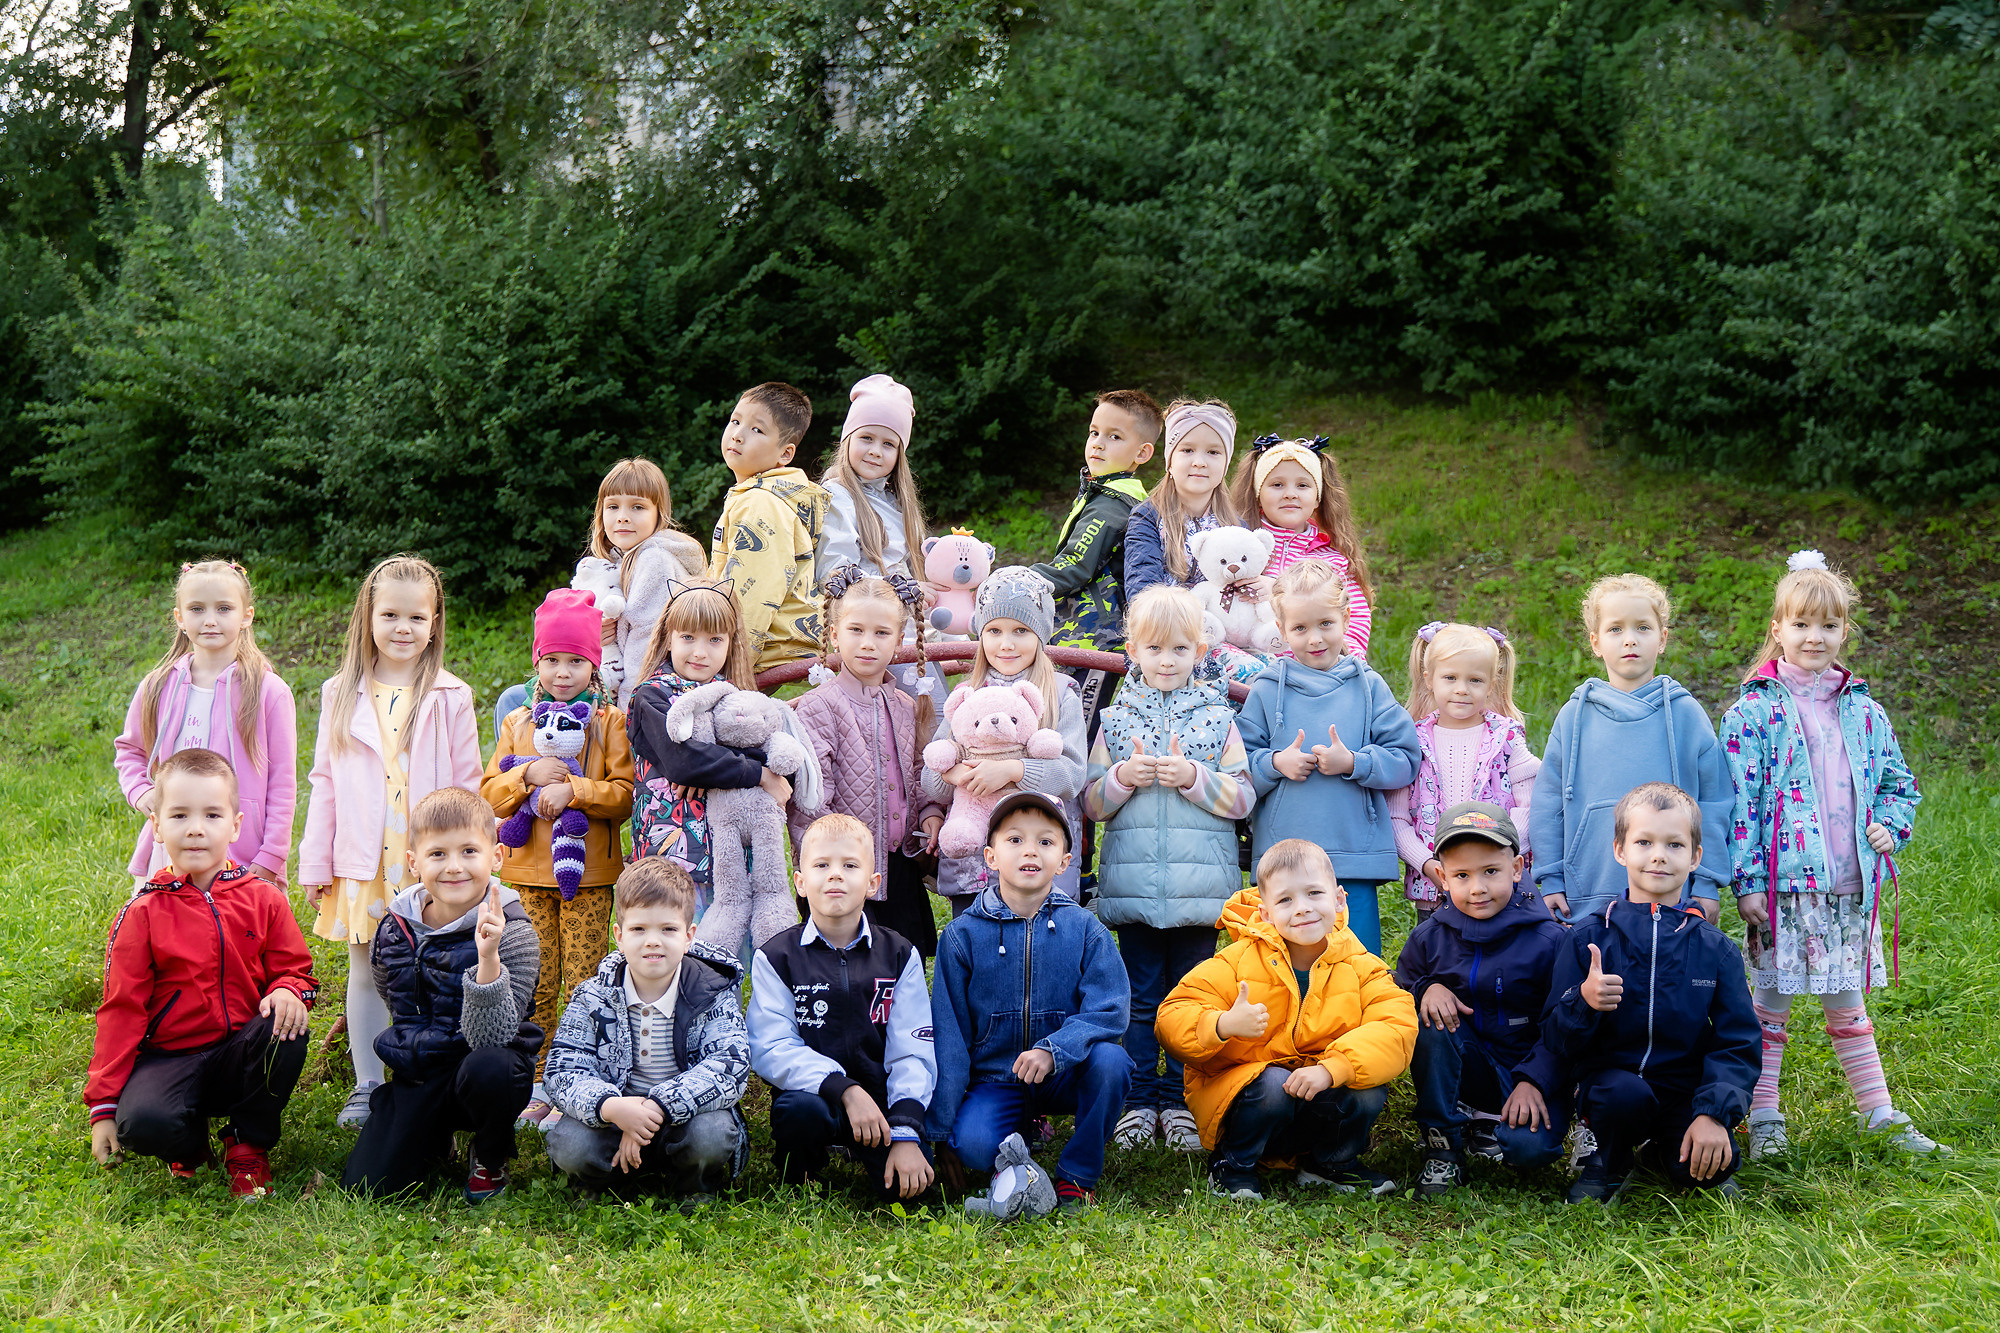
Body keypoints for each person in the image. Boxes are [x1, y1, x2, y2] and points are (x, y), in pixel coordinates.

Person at [1719, 550, 1939, 1157]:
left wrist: (1890, 825)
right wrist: (1747, 882)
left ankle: (1879, 1114)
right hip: (1783, 888)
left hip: (1848, 885)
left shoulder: (1865, 711)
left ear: (1845, 631)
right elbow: (1736, 804)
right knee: (1770, 1006)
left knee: (1848, 1002)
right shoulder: (1752, 713)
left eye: (1829, 625)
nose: (1814, 637)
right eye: (1801, 624)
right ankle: (1763, 1116)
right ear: (1778, 629)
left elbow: (1898, 784)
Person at [299, 554, 482, 1131]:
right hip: (363, 859)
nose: (404, 628)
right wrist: (315, 861)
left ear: (434, 623)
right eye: (391, 616)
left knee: (431, 970)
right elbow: (324, 781)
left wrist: (468, 859)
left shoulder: (450, 695)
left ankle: (422, 1079)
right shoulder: (340, 692)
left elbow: (468, 785)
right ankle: (367, 1084)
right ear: (368, 618)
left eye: (416, 617)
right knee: (367, 971)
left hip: (430, 863)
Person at [86, 749, 317, 1198]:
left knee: (286, 1025)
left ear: (235, 824)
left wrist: (289, 989)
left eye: (212, 815)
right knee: (143, 1124)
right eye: (179, 815)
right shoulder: (142, 912)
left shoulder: (264, 898)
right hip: (170, 1058)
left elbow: (295, 970)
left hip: (242, 1052)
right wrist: (104, 1106)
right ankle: (188, 1146)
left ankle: (246, 1142)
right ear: (157, 825)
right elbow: (121, 1010)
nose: (195, 828)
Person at [1084, 586, 1254, 1153]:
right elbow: (1092, 803)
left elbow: (1243, 798)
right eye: (1154, 649)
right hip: (1133, 886)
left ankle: (1181, 1098)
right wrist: (1121, 779)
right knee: (1139, 997)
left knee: (1194, 997)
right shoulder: (1115, 720)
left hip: (1199, 891)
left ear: (1199, 651)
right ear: (1133, 651)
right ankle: (1138, 1100)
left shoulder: (1219, 719)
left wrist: (1194, 778)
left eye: (1179, 649)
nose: (1166, 660)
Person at [1157, 840, 1415, 1202]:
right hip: (1251, 1102)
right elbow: (1173, 1014)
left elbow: (1395, 1026)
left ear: (1339, 899)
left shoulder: (1362, 967)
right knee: (1274, 1084)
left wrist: (1334, 1068)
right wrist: (1222, 1024)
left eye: (1314, 893)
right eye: (1285, 900)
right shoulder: (1237, 961)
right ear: (1265, 913)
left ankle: (1330, 1163)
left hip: (1317, 1099)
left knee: (1365, 1085)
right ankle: (1234, 1164)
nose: (1302, 908)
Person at [1541, 783, 1759, 1205]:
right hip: (1613, 1088)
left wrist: (1715, 1114)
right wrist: (1584, 1002)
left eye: (1674, 845)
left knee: (1711, 1172)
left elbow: (1739, 1042)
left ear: (1695, 857)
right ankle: (1610, 1159)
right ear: (1620, 850)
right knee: (1622, 1094)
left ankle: (1662, 1151)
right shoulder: (1587, 937)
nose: (1659, 855)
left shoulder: (1716, 949)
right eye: (1644, 842)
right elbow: (1555, 1037)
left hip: (1684, 1091)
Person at [927, 793, 1133, 1215]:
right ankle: (1017, 1141)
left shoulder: (1085, 929)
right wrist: (941, 1132)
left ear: (1065, 861)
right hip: (996, 1077)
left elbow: (1111, 1009)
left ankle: (1076, 1176)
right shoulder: (961, 936)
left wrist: (1054, 1050)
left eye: (1045, 841)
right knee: (975, 1148)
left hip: (1064, 1072)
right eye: (1015, 839)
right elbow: (950, 1036)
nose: (1030, 851)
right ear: (990, 856)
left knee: (1112, 1062)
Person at [340, 788, 543, 1204]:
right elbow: (392, 995)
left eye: (469, 851)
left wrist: (487, 959)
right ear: (413, 862)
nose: (454, 867)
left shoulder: (515, 932)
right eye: (437, 854)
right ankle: (433, 1135)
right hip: (422, 1071)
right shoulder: (395, 929)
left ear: (496, 857)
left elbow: (493, 1037)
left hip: (485, 1070)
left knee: (493, 1068)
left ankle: (489, 1153)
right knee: (369, 1187)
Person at [480, 588, 634, 1128]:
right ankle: (541, 1077)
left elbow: (624, 795)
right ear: (537, 663)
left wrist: (577, 790)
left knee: (584, 978)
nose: (563, 672)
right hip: (527, 873)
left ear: (594, 665)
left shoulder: (609, 722)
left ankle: (584, 1075)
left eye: (575, 661)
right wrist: (527, 774)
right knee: (538, 978)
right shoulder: (518, 722)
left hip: (589, 877)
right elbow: (490, 792)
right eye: (552, 660)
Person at [1236, 559, 1420, 956]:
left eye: (1325, 624)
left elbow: (1405, 758)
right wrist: (1275, 764)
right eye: (1300, 628)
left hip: (1351, 854)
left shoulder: (1369, 687)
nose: (1315, 638)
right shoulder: (1267, 689)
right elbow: (1238, 765)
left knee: (1357, 961)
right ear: (1282, 630)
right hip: (1284, 859)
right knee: (1287, 963)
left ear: (1346, 619)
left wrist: (1353, 763)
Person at [750, 815, 937, 1201]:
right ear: (800, 882)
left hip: (882, 1105)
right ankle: (801, 1171)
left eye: (850, 865)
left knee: (914, 1197)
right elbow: (771, 1046)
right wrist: (845, 1089)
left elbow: (912, 1049)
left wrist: (905, 1131)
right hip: (816, 1096)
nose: (835, 875)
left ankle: (884, 1148)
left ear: (873, 883)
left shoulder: (900, 954)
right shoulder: (776, 957)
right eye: (821, 865)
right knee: (799, 1111)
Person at [542, 857, 750, 1200]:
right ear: (619, 937)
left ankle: (693, 1186)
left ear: (689, 936)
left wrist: (657, 1107)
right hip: (615, 1118)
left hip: (684, 1117)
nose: (653, 941)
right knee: (570, 1143)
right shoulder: (593, 996)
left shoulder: (710, 993)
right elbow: (564, 1070)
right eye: (639, 929)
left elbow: (729, 1066)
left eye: (668, 929)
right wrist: (612, 1107)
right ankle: (603, 1181)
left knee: (712, 1134)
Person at [1531, 573, 1730, 924]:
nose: (1630, 640)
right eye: (1615, 629)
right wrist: (1550, 877)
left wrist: (1706, 882)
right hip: (1586, 897)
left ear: (1662, 638)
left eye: (1643, 628)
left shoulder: (1685, 714)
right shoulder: (1574, 716)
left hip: (1671, 897)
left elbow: (1714, 802)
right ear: (1595, 642)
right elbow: (1548, 801)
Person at [1396, 802, 1569, 1197]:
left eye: (1491, 871)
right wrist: (1425, 988)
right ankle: (1443, 1144)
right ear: (1442, 877)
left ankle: (1506, 1123)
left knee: (1529, 1151)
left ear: (1517, 868)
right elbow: (1397, 989)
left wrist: (1534, 1080)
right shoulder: (1428, 937)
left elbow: (1564, 1025)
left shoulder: (1551, 941)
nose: (1477, 888)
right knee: (1429, 1020)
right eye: (1462, 875)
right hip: (1468, 1066)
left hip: (1529, 1072)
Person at [114, 559, 296, 893]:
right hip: (170, 851)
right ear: (179, 618)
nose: (210, 620)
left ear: (246, 616)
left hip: (243, 854)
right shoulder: (157, 686)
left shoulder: (269, 692)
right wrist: (142, 792)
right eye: (197, 609)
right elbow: (130, 751)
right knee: (163, 923)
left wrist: (271, 856)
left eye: (224, 608)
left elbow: (282, 784)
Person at [789, 569, 945, 956]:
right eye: (856, 630)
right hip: (841, 868)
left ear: (899, 640)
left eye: (881, 633)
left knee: (898, 959)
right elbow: (812, 797)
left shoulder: (905, 705)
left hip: (896, 864)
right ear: (835, 634)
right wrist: (825, 863)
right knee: (846, 962)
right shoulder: (819, 707)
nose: (868, 643)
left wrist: (929, 810)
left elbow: (915, 770)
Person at [921, 567, 1088, 909]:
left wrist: (1013, 771)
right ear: (980, 634)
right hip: (973, 868)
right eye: (994, 630)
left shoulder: (1060, 694)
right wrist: (953, 774)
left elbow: (1072, 775)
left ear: (1041, 635)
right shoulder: (967, 695)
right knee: (975, 937)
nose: (1006, 644)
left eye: (1021, 631)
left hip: (1038, 870)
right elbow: (931, 776)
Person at [626, 578, 782, 912]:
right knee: (677, 938)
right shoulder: (652, 696)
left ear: (730, 643)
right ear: (668, 637)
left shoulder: (735, 698)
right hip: (669, 860)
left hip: (731, 860)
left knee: (732, 941)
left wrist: (715, 768)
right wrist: (757, 775)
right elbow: (682, 761)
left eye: (714, 640)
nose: (700, 652)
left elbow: (763, 751)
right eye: (688, 637)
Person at [1031, 388, 1161, 750]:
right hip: (1077, 633)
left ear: (1142, 453)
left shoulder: (1113, 504)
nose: (1098, 444)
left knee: (1077, 730)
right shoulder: (1101, 492)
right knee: (1055, 719)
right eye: (1094, 432)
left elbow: (1074, 566)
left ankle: (1080, 783)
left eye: (1114, 436)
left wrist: (1019, 581)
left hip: (1096, 638)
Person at [1389, 621, 1539, 919]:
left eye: (1475, 680)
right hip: (1435, 888)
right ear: (1429, 679)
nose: (1461, 689)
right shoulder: (1411, 742)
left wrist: (1503, 856)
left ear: (1491, 684)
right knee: (1436, 947)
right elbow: (1396, 817)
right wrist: (1427, 865)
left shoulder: (1507, 738)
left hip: (1496, 887)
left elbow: (1529, 807)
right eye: (1450, 677)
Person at [816, 373, 946, 707]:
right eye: (867, 438)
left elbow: (911, 573)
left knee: (934, 707)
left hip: (905, 629)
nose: (876, 451)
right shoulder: (838, 495)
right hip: (867, 631)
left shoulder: (896, 503)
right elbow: (837, 573)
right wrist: (903, 587)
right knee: (929, 711)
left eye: (888, 444)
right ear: (847, 440)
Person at [1122, 399, 1268, 688]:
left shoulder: (1235, 526)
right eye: (1187, 450)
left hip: (1231, 635)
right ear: (1170, 460)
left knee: (1280, 670)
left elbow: (1249, 585)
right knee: (1257, 675)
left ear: (1225, 464)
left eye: (1213, 452)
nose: (1200, 461)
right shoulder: (1148, 518)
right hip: (1170, 640)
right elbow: (1142, 592)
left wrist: (1264, 587)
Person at [708, 381, 831, 673]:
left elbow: (752, 597)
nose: (737, 435)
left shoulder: (761, 504)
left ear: (785, 454)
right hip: (776, 649)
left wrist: (730, 670)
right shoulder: (757, 496)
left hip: (769, 655)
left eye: (757, 430)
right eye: (735, 421)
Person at [1226, 435, 1374, 656]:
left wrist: (1347, 662)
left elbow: (1357, 618)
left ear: (1317, 498)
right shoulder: (1241, 550)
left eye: (1303, 485)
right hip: (1250, 668)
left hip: (1314, 668)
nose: (1290, 494)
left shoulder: (1333, 561)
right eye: (1277, 485)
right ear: (1258, 494)